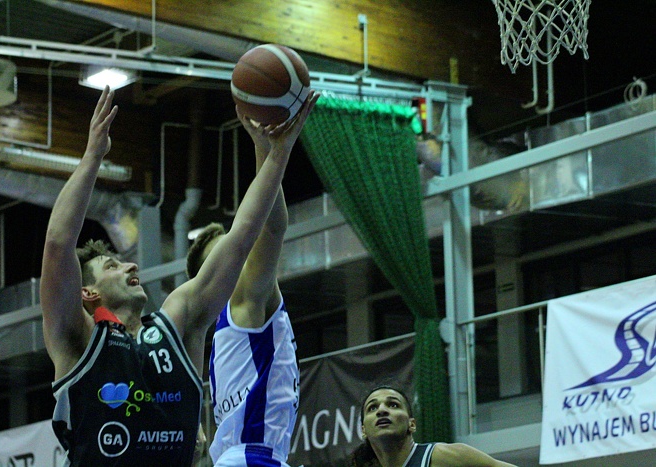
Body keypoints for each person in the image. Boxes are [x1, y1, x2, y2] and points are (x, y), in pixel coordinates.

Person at [40, 85, 318, 466]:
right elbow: (58, 244)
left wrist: (279, 153)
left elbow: (242, 239)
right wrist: (92, 157)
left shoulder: (177, 320)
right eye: (112, 266)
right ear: (88, 293)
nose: (130, 265)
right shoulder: (76, 340)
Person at [185, 109, 300, 466]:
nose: (239, 254)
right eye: (226, 253)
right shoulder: (244, 301)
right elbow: (272, 228)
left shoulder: (218, 329)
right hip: (253, 458)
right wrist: (268, 149)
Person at [350, 386, 518, 467]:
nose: (382, 410)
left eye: (393, 405)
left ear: (412, 424)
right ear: (363, 430)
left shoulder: (446, 457)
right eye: (372, 408)